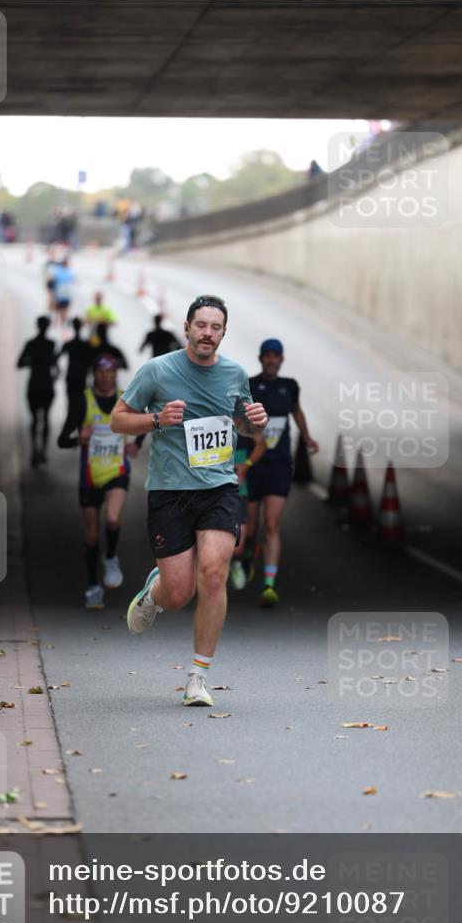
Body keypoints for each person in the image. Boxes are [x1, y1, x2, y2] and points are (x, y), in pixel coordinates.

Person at [110, 294, 268, 707]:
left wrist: (255, 425)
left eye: (216, 328)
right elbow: (117, 418)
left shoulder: (235, 374)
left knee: (214, 574)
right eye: (201, 325)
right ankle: (154, 594)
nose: (208, 334)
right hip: (170, 492)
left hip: (218, 488)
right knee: (179, 593)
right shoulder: (158, 371)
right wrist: (157, 419)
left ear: (223, 333)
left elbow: (243, 426)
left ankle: (198, 678)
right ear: (187, 327)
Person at [58, 355, 143, 609]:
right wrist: (78, 439)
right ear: (94, 374)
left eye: (111, 371)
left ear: (116, 373)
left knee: (114, 519)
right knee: (92, 535)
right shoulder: (82, 401)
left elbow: (145, 423)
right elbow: (62, 439)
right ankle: (93, 585)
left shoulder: (126, 398)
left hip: (117, 471)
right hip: (90, 476)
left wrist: (136, 446)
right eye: (101, 371)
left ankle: (111, 556)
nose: (106, 376)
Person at [242, 339, 319, 606]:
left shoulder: (289, 386)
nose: (272, 360)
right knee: (249, 528)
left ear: (282, 359)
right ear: (261, 358)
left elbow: (296, 411)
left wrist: (307, 437)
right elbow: (239, 421)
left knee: (272, 524)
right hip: (253, 464)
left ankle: (269, 584)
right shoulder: (249, 385)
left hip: (278, 464)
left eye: (276, 356)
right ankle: (247, 554)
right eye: (268, 356)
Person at [17, 316, 58, 468]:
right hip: (47, 385)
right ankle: (43, 452)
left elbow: (19, 363)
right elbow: (56, 367)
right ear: (47, 327)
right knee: (46, 418)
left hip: (34, 385)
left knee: (34, 419)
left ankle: (35, 449)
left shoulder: (31, 344)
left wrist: (33, 361)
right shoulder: (51, 344)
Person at [229, 431, 266, 590]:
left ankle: (235, 562)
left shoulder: (244, 419)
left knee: (238, 549)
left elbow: (262, 444)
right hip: (212, 491)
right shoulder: (211, 414)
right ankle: (215, 572)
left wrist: (245, 466)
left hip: (239, 492)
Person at [60, 317, 96, 413]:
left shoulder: (69, 344)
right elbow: (91, 362)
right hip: (81, 376)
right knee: (81, 404)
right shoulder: (86, 345)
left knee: (71, 403)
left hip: (71, 375)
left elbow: (56, 357)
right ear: (81, 327)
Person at [50, 257, 77, 336]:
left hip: (65, 295)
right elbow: (74, 281)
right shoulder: (60, 272)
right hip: (61, 294)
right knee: (61, 310)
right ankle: (61, 323)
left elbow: (52, 281)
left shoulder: (66, 272)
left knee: (64, 310)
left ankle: (62, 323)